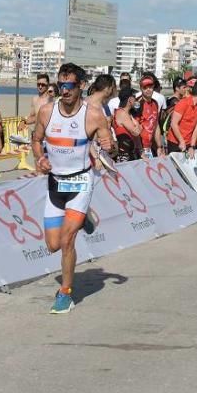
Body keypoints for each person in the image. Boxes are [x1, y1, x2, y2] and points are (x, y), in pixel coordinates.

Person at [31, 62, 111, 314]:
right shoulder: (46, 112)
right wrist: (40, 158)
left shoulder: (94, 115)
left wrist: (109, 147)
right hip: (55, 183)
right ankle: (84, 217)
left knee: (67, 241)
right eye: (61, 85)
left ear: (81, 86)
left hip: (81, 182)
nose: (64, 91)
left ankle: (65, 293)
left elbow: (111, 149)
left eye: (69, 86)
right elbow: (36, 140)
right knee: (52, 245)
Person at [167, 80, 197, 156]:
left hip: (188, 143)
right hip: (175, 142)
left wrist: (192, 146)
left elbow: (196, 128)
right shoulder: (183, 103)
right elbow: (174, 124)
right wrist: (181, 141)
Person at [136, 74, 164, 157]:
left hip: (151, 146)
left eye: (150, 87)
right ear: (141, 88)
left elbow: (156, 124)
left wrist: (159, 146)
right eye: (145, 88)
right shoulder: (138, 104)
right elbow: (134, 128)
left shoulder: (155, 103)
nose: (148, 90)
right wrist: (140, 150)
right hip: (139, 148)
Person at [112, 90, 142, 163]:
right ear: (130, 100)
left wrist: (140, 151)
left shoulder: (127, 113)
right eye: (134, 97)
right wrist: (138, 124)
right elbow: (136, 132)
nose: (136, 99)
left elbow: (135, 136)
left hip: (130, 153)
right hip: (125, 156)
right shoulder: (122, 113)